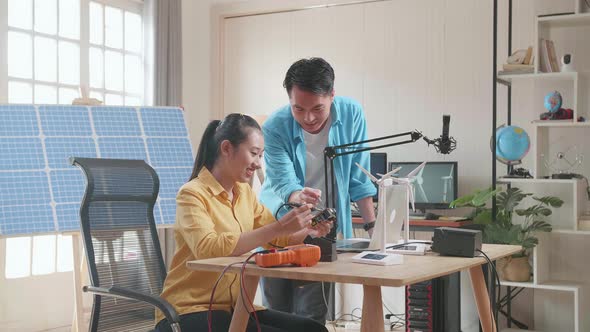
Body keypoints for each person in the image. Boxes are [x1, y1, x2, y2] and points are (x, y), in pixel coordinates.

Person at [155, 113, 332, 332]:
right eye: (254, 154)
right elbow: (208, 249)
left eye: (261, 156)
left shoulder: (245, 194)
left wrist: (309, 229)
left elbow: (276, 241)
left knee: (314, 330)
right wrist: (279, 226)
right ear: (227, 148)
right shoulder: (192, 194)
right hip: (190, 310)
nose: (258, 164)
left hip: (236, 307)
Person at [258, 58, 377, 324]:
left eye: (317, 108)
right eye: (298, 109)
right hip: (280, 224)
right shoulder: (275, 126)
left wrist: (372, 227)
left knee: (312, 314)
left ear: (332, 94)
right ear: (289, 99)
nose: (308, 118)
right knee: (276, 310)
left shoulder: (351, 114)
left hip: (323, 229)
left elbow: (359, 176)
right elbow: (282, 180)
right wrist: (297, 196)